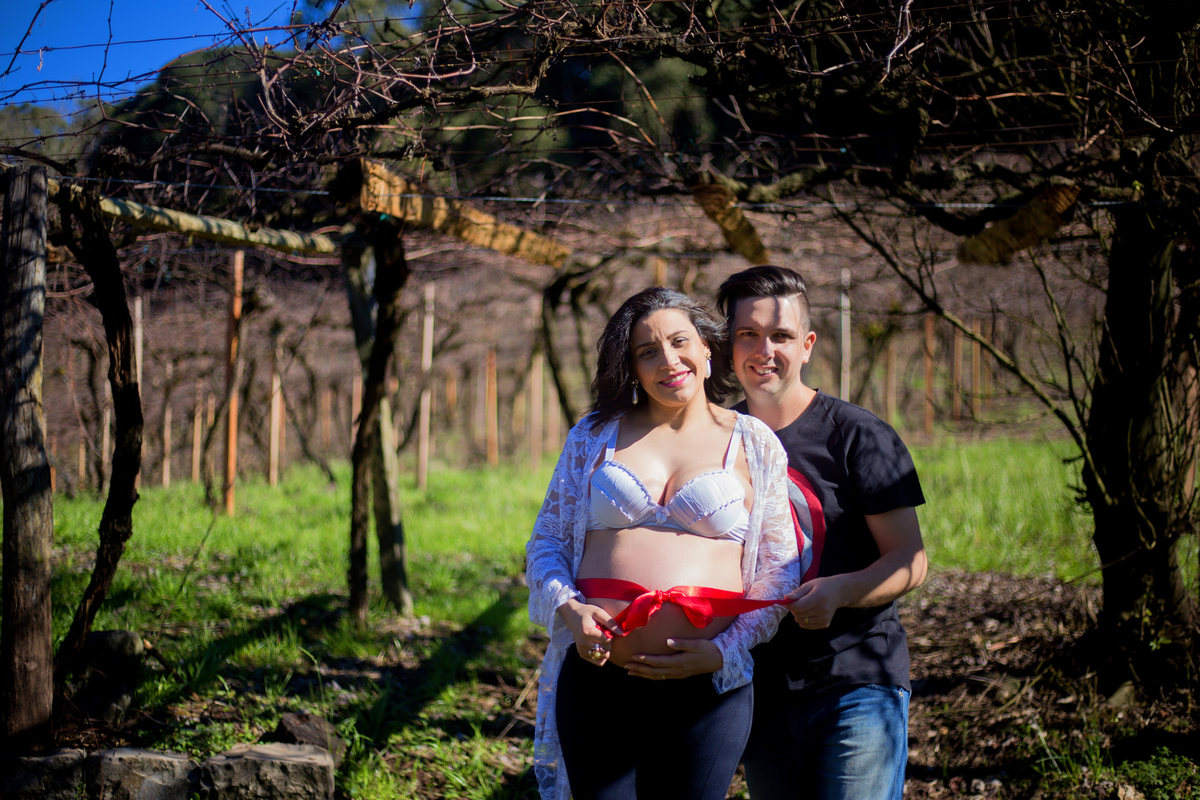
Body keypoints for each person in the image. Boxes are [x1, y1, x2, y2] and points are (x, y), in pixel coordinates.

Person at [525, 286, 799, 800]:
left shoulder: (754, 441)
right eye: (647, 351)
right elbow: (546, 545)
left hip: (706, 690)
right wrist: (572, 611)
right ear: (631, 368)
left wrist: (722, 651)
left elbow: (780, 569)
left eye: (679, 342)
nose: (668, 361)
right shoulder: (593, 436)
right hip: (599, 676)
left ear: (707, 348)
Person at [715, 265, 928, 800]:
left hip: (855, 681)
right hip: (758, 691)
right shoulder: (717, 442)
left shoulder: (860, 436)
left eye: (781, 336)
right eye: (748, 334)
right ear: (729, 345)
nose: (764, 350)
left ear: (806, 345)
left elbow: (910, 559)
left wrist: (840, 591)